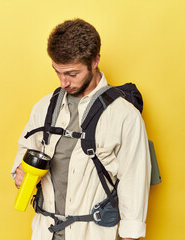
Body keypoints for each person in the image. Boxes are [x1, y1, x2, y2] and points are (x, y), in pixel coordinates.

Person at [11, 18, 151, 240]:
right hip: (45, 232)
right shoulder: (44, 107)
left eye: (72, 74)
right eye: (58, 72)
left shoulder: (124, 116)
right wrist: (20, 172)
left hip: (93, 234)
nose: (63, 82)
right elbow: (25, 152)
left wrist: (129, 236)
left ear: (95, 61)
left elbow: (135, 182)